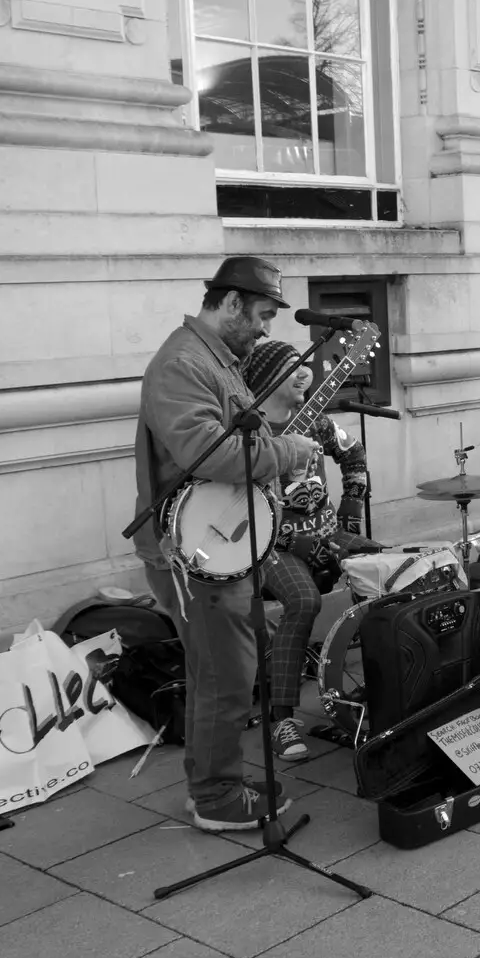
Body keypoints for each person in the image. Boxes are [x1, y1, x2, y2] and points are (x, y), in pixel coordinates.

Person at [132, 256, 318, 831]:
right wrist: (291, 453)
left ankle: (217, 780)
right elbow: (211, 454)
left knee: (223, 669)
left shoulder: (213, 359)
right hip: (194, 555)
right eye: (262, 314)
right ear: (232, 303)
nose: (266, 328)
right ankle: (214, 799)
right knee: (225, 675)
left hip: (217, 545)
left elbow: (242, 437)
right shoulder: (183, 363)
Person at [242, 340, 380, 760]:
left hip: (327, 535)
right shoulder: (251, 436)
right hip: (270, 550)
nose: (305, 373)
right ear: (267, 380)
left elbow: (354, 453)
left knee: (394, 568)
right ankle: (282, 720)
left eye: (304, 365)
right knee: (303, 602)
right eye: (292, 368)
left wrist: (350, 515)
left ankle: (391, 689)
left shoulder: (317, 423)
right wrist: (285, 538)